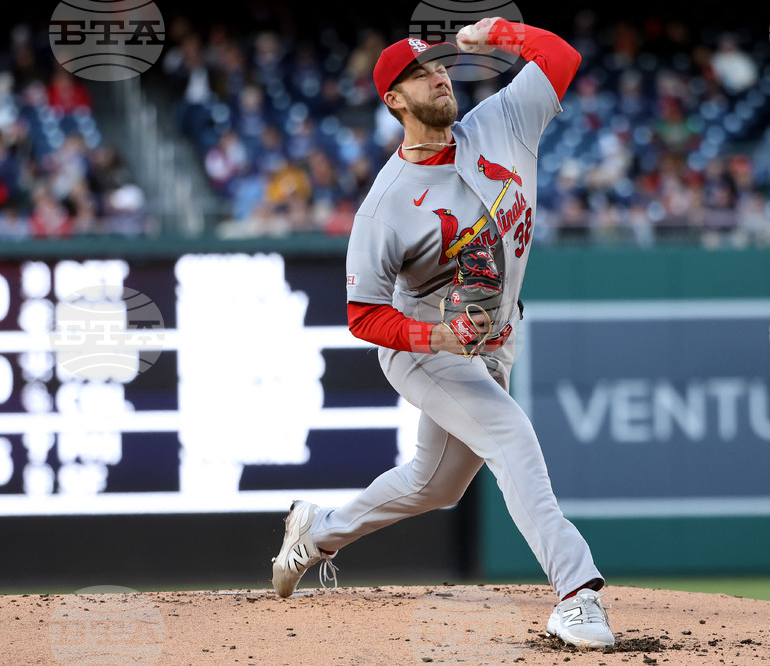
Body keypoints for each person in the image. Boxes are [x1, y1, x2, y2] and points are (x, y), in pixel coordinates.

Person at [270, 17, 616, 649]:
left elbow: (561, 58)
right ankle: (575, 593)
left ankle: (318, 530)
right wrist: (438, 339)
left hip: (496, 336)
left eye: (438, 67)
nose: (437, 77)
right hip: (424, 347)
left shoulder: (502, 121)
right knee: (510, 436)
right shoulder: (385, 206)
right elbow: (362, 314)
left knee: (436, 485)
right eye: (419, 74)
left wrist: (501, 32)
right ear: (394, 100)